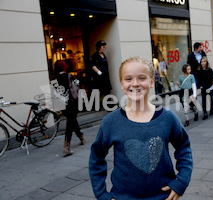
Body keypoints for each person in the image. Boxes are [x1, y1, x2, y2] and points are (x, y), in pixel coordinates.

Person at [89, 56, 193, 200]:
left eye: (142, 78)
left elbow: (184, 147)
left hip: (163, 196)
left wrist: (181, 181)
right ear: (121, 84)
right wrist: (102, 195)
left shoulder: (168, 118)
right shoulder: (111, 122)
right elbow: (96, 156)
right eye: (128, 79)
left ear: (151, 82)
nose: (135, 83)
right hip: (123, 197)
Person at [53, 60, 85, 157]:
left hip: (62, 103)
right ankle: (66, 146)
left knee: (72, 120)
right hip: (71, 102)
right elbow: (76, 86)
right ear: (64, 66)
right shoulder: (69, 76)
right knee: (70, 123)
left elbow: (55, 92)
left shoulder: (53, 78)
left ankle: (80, 136)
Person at [90, 40, 112, 107]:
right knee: (99, 91)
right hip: (99, 77)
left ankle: (109, 104)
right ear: (99, 47)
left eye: (105, 47)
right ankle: (96, 105)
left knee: (107, 89)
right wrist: (98, 72)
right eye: (103, 47)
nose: (104, 48)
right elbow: (92, 65)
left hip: (105, 76)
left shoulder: (103, 55)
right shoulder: (95, 55)